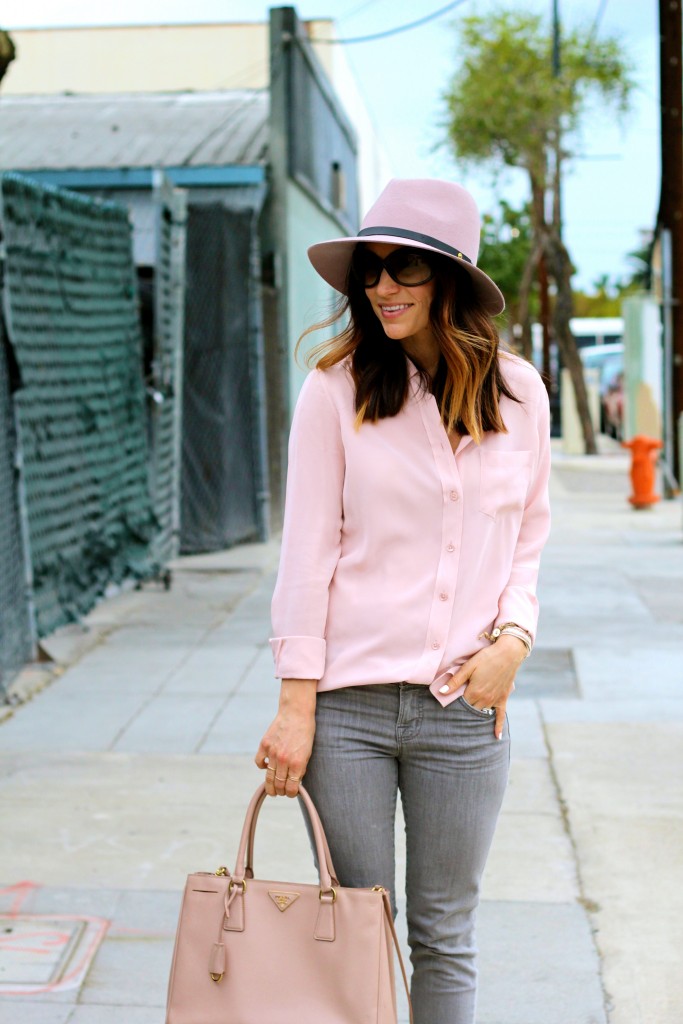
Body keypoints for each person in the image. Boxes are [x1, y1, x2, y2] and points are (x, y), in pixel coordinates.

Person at [255, 178, 551, 1024]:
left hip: (464, 708)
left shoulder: (521, 395)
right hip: (345, 712)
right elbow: (305, 556)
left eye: (404, 269)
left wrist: (514, 638)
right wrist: (294, 706)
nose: (381, 287)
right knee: (357, 931)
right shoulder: (334, 392)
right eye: (370, 270)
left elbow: (527, 535)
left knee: (444, 934)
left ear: (448, 280)